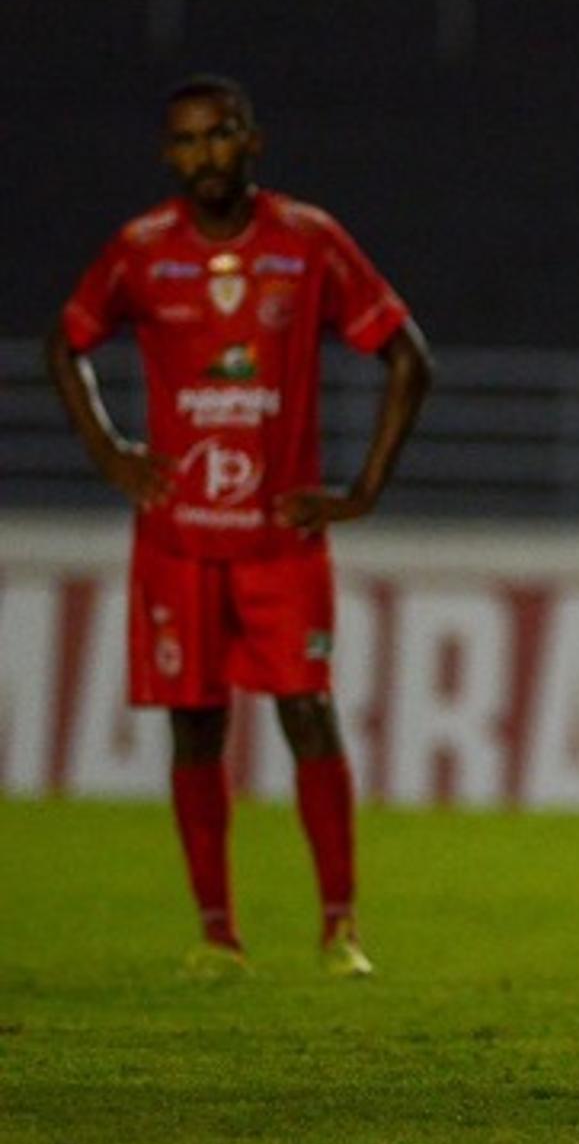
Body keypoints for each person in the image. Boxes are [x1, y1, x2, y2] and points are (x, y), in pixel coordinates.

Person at [46, 75, 432, 979]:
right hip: (177, 540)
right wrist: (110, 452)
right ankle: (216, 932)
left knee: (309, 712)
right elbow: (64, 344)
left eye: (219, 135)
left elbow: (409, 357)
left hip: (279, 537)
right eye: (185, 141)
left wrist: (362, 489)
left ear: (252, 141)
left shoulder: (306, 241)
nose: (203, 155)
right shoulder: (142, 251)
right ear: (168, 155)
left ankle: (340, 926)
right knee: (194, 727)